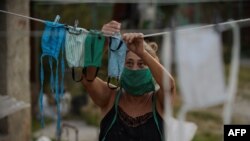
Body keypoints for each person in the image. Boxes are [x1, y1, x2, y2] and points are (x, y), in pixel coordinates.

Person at [81, 20, 175, 141]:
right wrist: (103, 42)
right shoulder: (110, 97)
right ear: (121, 67)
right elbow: (88, 79)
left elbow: (169, 86)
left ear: (152, 69)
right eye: (129, 64)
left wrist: (143, 53)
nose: (135, 69)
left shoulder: (159, 102)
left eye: (142, 64)